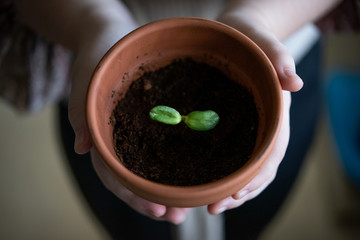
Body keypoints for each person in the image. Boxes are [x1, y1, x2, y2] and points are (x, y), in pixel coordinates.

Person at [1, 0, 358, 239]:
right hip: (94, 49)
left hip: (277, 31)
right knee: (131, 226)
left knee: (252, 218)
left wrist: (258, 20)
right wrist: (94, 24)